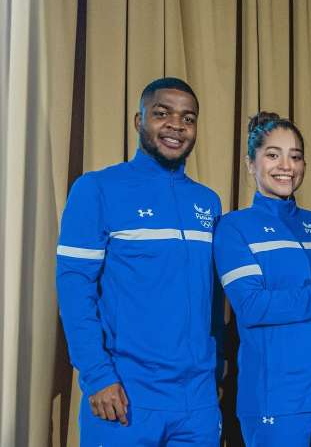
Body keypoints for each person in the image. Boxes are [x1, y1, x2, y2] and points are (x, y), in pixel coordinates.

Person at [56, 77, 223, 445]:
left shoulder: (208, 202)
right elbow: (73, 289)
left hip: (197, 402)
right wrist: (98, 376)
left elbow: (211, 302)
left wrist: (217, 373)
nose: (176, 126)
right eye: (162, 114)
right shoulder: (96, 188)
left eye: (188, 118)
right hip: (125, 395)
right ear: (138, 121)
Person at [213, 112, 311, 447]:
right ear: (250, 163)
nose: (286, 165)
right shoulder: (234, 228)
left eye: (295, 156)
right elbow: (252, 307)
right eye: (273, 155)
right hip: (277, 400)